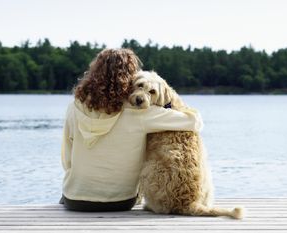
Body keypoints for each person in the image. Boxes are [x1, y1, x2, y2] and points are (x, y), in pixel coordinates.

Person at [60, 48, 202, 211]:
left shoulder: (74, 107)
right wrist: (170, 100)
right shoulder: (140, 112)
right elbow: (195, 122)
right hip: (121, 201)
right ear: (129, 78)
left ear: (93, 73)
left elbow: (67, 160)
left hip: (75, 200)